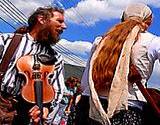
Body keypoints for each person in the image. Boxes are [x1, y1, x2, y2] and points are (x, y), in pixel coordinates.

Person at [77, 3, 160, 125]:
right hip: (127, 108)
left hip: (88, 106)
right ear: (149, 22)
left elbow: (85, 84)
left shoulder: (101, 40)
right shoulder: (153, 42)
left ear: (123, 18)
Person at [0, 6, 67, 125]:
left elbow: (57, 88)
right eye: (59, 21)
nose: (64, 26)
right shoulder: (6, 40)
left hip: (24, 113)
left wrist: (46, 107)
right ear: (41, 19)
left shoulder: (57, 58)